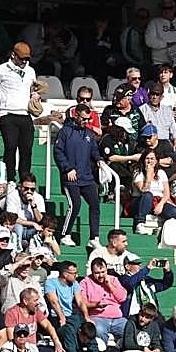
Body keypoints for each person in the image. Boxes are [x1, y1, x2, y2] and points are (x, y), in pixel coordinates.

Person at [0, 42, 36, 180]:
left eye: (27, 59)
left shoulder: (30, 71)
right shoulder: (0, 69)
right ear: (13, 55)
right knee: (11, 145)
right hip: (7, 113)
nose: (24, 61)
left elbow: (33, 89)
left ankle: (25, 178)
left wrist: (35, 95)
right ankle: (10, 178)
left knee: (26, 149)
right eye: (21, 58)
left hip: (25, 113)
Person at [54, 103, 103, 247]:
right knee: (75, 204)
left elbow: (94, 150)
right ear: (76, 116)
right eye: (84, 119)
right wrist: (68, 168)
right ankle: (65, 235)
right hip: (70, 178)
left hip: (86, 177)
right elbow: (58, 152)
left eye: (88, 119)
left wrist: (99, 160)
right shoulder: (65, 132)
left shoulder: (88, 134)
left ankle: (94, 238)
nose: (86, 122)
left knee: (95, 205)